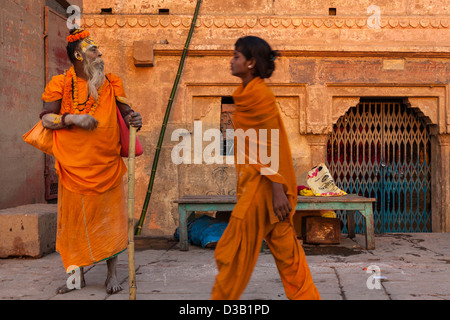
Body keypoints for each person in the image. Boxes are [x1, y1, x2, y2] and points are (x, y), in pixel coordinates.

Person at [211, 36, 321, 300]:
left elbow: (269, 145)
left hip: (264, 190)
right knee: (289, 257)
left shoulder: (260, 97)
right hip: (260, 184)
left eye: (236, 56)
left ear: (250, 63)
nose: (231, 60)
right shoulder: (246, 95)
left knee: (232, 254)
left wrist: (277, 190)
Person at [39, 29, 142, 294]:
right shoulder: (60, 84)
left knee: (109, 221)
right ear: (78, 55)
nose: (100, 54)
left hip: (106, 165)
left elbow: (128, 113)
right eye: (93, 49)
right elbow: (46, 120)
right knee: (75, 223)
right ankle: (77, 276)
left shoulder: (112, 82)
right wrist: (72, 118)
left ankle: (111, 274)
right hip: (73, 167)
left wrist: (135, 119)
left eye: (98, 49)